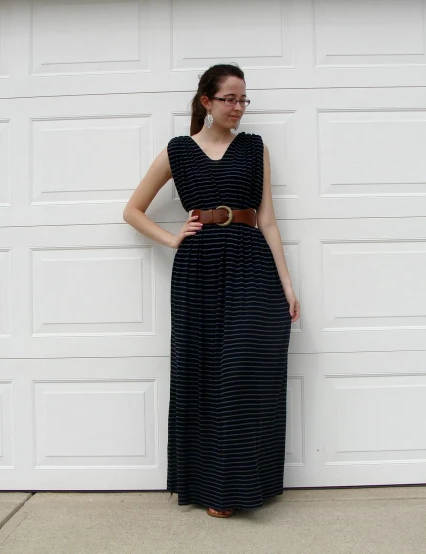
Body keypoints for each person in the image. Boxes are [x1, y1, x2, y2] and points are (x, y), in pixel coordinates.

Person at [123, 63, 300, 518]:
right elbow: (132, 210)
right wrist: (171, 238)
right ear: (207, 101)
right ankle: (212, 489)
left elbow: (267, 220)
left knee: (244, 376)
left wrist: (286, 283)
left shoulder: (255, 148)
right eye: (230, 99)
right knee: (202, 376)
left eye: (244, 100)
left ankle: (242, 487)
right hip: (198, 270)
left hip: (250, 265)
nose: (239, 108)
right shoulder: (179, 151)